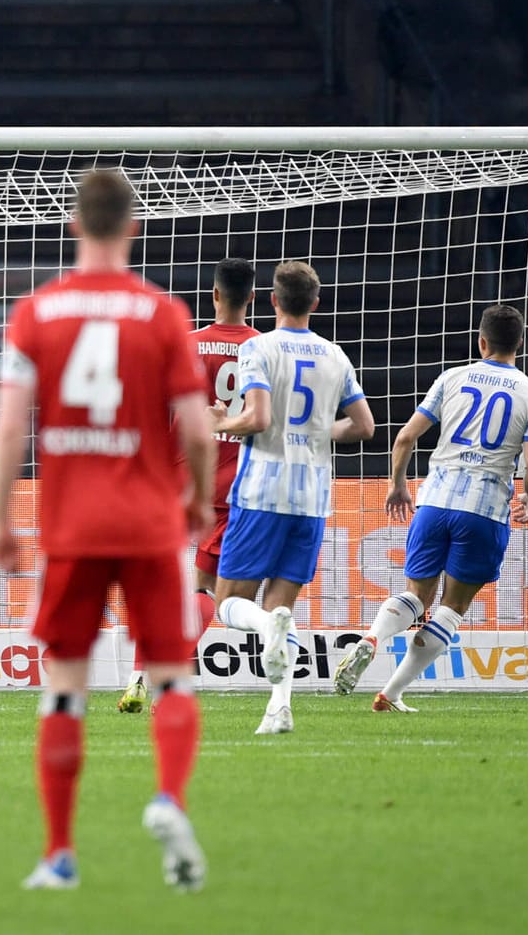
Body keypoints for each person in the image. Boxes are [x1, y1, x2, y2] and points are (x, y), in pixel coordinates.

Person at [0, 169, 217, 893]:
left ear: (73, 225)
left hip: (71, 524)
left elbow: (9, 423)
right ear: (134, 228)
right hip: (151, 522)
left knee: (64, 688)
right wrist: (199, 499)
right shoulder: (163, 314)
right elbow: (201, 430)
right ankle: (168, 797)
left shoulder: (37, 311)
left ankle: (58, 854)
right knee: (174, 674)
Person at [334, 305, 528, 710]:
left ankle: (372, 638)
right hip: (484, 510)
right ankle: (391, 693)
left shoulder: (452, 378)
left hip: (434, 500)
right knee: (452, 607)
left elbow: (404, 437)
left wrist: (398, 485)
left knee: (416, 596)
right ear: (519, 344)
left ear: (481, 341)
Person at [208, 260, 375, 736]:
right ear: (315, 303)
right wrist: (323, 431)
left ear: (274, 301)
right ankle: (279, 708)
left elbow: (257, 419)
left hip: (262, 491)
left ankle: (267, 638)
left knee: (230, 606)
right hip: (311, 498)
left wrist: (221, 423)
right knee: (282, 608)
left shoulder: (258, 347)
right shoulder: (335, 355)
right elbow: (364, 426)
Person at [119, 257, 260, 714]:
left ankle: (139, 675)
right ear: (253, 298)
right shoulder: (267, 348)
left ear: (214, 295)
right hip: (239, 487)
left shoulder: (183, 346)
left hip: (179, 479)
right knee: (204, 593)